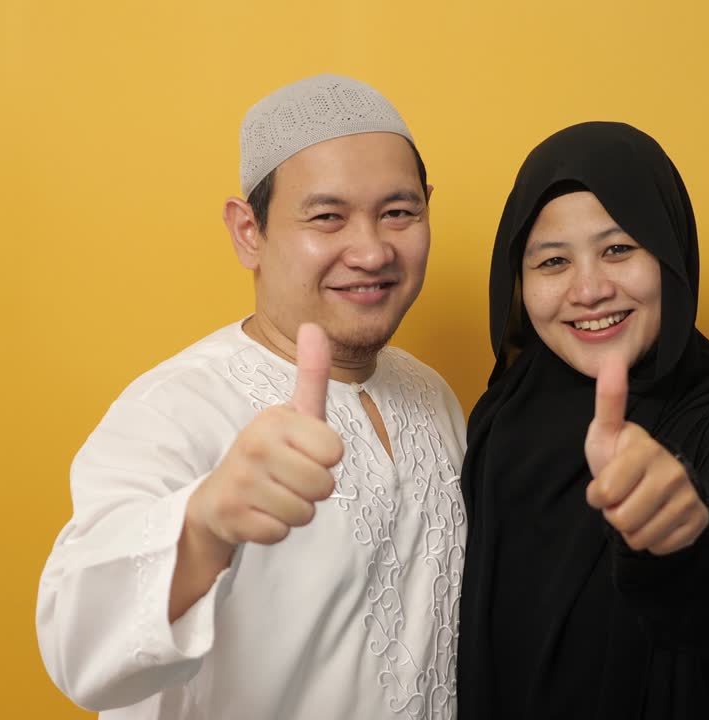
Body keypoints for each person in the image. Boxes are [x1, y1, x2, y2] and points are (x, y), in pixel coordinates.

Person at [37, 74, 467, 720]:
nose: (373, 249)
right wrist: (203, 524)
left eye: (398, 212)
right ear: (248, 232)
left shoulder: (429, 395)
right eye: (327, 217)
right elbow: (76, 641)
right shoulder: (176, 409)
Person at [456, 122, 709, 719]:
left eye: (619, 248)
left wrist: (690, 535)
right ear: (518, 284)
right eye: (552, 261)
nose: (590, 289)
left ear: (670, 256)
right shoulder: (496, 428)